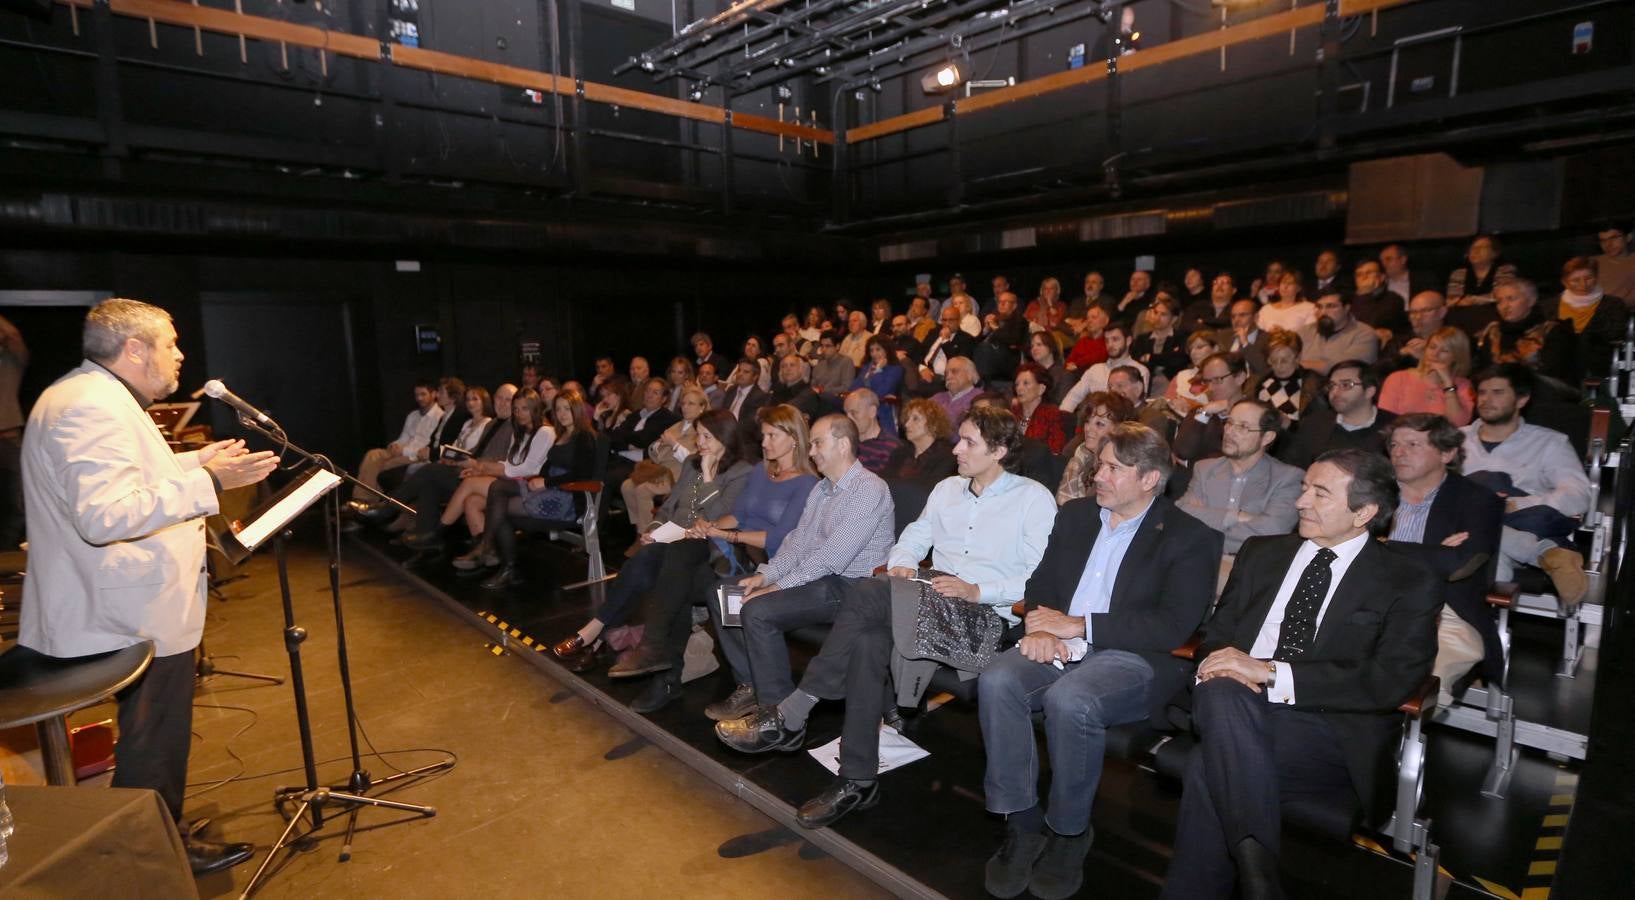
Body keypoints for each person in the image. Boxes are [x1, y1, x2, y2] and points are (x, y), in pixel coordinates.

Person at [20, 298, 279, 874]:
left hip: (126, 605)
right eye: (171, 343)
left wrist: (193, 462)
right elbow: (105, 514)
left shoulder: (92, 395)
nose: (180, 354)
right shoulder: (93, 408)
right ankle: (152, 855)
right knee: (152, 742)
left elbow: (132, 477)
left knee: (152, 738)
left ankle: (155, 835)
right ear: (134, 349)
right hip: (128, 615)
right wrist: (209, 481)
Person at [715, 407, 1057, 830]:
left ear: (1000, 451)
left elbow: (1038, 579)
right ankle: (857, 779)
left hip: (982, 619)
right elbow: (913, 536)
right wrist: (901, 560)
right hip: (927, 601)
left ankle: (793, 713)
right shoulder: (947, 489)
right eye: (960, 439)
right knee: (867, 638)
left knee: (865, 590)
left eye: (968, 442)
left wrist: (976, 590)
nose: (956, 448)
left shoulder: (1032, 499)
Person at [1162, 450, 1441, 900]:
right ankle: (1260, 881)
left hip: (1328, 727)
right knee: (1224, 696)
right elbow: (1218, 635)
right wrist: (1227, 667)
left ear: (1364, 513)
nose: (1300, 501)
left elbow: (1391, 680)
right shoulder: (1262, 553)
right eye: (1304, 487)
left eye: (1320, 493)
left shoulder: (1408, 579)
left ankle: (1254, 880)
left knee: (1206, 762)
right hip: (1235, 704)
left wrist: (1271, 672)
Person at [982, 424, 1221, 900]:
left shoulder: (1191, 537)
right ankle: (1023, 822)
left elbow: (1173, 625)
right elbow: (1041, 585)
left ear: (1150, 479)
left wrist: (1080, 626)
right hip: (1061, 643)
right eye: (1100, 463)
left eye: (1113, 467)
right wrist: (1045, 628)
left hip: (1134, 657)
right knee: (997, 680)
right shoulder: (1075, 516)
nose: (1099, 475)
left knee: (1073, 698)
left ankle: (1069, 832)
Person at [552, 410, 752, 702]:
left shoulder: (741, 472)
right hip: (676, 550)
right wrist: (654, 529)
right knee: (658, 564)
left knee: (664, 567)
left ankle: (605, 635)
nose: (700, 442)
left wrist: (709, 476)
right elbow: (669, 507)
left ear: (726, 438)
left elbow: (716, 519)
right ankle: (659, 668)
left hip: (713, 555)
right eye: (699, 435)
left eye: (707, 436)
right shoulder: (692, 465)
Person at [707, 414, 894, 713]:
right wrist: (765, 576)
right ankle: (751, 683)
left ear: (843, 445)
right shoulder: (822, 489)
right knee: (723, 594)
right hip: (819, 578)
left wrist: (777, 587)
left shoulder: (868, 489)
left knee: (757, 610)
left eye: (818, 443)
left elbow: (833, 558)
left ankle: (777, 712)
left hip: (852, 588)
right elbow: (797, 543)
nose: (810, 451)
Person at [1386, 414, 1505, 702]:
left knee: (1411, 690)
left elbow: (1458, 564)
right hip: (1373, 605)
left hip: (1446, 615)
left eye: (1412, 444)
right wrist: (1435, 552)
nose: (1398, 452)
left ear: (1447, 453)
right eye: (1393, 444)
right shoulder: (1374, 492)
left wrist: (1382, 546)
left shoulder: (1477, 500)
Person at [1460, 365, 1593, 604]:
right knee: (1490, 553)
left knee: (1487, 482)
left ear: (1522, 399)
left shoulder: (1550, 442)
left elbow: (1578, 495)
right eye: (1482, 392)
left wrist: (1516, 504)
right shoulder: (1454, 439)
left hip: (1519, 522)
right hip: (1460, 531)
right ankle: (1545, 551)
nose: (1486, 400)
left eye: (1498, 392)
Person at [405, 388, 554, 557]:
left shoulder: (545, 431)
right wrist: (479, 469)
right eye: (516, 409)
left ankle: (436, 533)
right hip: (512, 481)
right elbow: (510, 463)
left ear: (535, 409)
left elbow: (528, 469)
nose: (519, 413)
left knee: (467, 482)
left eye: (524, 409)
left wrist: (482, 469)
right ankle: (487, 553)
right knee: (472, 502)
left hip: (531, 485)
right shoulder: (520, 431)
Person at [478, 390, 601, 589]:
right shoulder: (561, 434)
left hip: (568, 497)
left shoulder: (584, 437)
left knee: (500, 509)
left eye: (566, 409)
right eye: (558, 409)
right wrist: (537, 479)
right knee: (498, 488)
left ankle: (496, 556)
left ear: (576, 410)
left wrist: (546, 482)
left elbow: (580, 475)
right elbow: (546, 466)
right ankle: (494, 553)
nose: (561, 414)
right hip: (551, 489)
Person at [1177, 400, 1303, 555]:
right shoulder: (1205, 469)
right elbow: (1180, 515)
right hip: (1198, 561)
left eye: (1243, 427)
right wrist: (1235, 516)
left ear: (1267, 437)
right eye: (1229, 422)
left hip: (1250, 571)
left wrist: (1204, 520)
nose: (1229, 431)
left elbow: (1271, 533)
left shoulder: (1287, 478)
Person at [1278, 360, 1395, 469]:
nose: (1335, 392)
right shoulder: (1314, 424)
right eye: (1332, 385)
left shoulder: (1394, 428)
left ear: (1369, 391)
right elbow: (1291, 469)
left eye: (1346, 385)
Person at [353, 379, 439, 501]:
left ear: (434, 394)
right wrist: (395, 445)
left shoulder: (439, 417)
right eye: (417, 395)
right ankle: (369, 497)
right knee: (372, 455)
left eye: (423, 394)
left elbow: (428, 447)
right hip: (401, 451)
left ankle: (365, 499)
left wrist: (403, 450)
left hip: (416, 456)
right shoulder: (413, 415)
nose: (419, 398)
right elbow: (403, 437)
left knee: (375, 466)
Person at [1377, 327, 1476, 426]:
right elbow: (1385, 420)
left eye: (1444, 351)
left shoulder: (1464, 385)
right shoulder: (1398, 378)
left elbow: (1458, 423)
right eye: (1432, 347)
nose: (1435, 354)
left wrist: (1448, 384)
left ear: (1456, 357)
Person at [1555, 256, 1630, 381]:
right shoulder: (1550, 306)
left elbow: (1616, 333)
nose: (1583, 285)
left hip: (1598, 364)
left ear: (1596, 278)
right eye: (1575, 280)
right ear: (1565, 282)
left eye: (1588, 278)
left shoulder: (1613, 304)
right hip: (1558, 364)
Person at [1056, 392, 1135, 505]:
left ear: (1119, 429)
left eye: (1099, 424)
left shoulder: (1121, 470)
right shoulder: (1081, 457)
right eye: (1087, 421)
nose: (1088, 428)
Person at [1059, 323, 1148, 415]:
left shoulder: (1140, 370)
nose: (1110, 344)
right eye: (1107, 341)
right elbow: (1073, 397)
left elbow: (1138, 405)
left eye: (1115, 339)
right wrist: (1063, 418)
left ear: (1128, 341)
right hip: (1094, 421)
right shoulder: (1095, 369)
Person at [1297, 290, 1379, 374]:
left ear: (1346, 308)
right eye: (1319, 307)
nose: (1323, 312)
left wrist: (1299, 364)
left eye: (1331, 306)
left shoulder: (1365, 334)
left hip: (1342, 384)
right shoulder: (1305, 331)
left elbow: (1343, 367)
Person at [881, 398, 957, 486]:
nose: (907, 425)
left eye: (915, 419)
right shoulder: (899, 453)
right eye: (907, 419)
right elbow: (884, 484)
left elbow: (929, 491)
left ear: (933, 424)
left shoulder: (946, 457)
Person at [0, 312, 28, 548]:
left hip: (8, 436)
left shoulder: (11, 361)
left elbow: (13, 336)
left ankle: (7, 557)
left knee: (17, 502)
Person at [1253, 331, 1320, 428]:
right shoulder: (1262, 384)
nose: (1278, 366)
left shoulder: (1312, 384)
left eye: (1284, 361)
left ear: (1298, 357)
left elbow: (1318, 426)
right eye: (1274, 361)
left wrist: (1289, 424)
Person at [849, 336, 904, 433]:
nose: (874, 354)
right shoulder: (867, 368)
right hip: (862, 405)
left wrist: (878, 370)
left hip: (883, 407)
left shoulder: (896, 369)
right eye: (871, 351)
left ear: (887, 350)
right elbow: (853, 389)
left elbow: (881, 391)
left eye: (878, 349)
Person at [1012, 362, 1068, 454]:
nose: (1019, 388)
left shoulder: (1052, 414)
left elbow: (1055, 450)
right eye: (1017, 384)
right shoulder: (1012, 413)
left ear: (1041, 389)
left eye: (1026, 383)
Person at [845, 388, 900, 474]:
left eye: (854, 413)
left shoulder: (891, 448)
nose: (848, 418)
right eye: (846, 413)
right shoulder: (845, 442)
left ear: (872, 412)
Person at [1256, 270, 1317, 335]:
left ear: (1299, 288)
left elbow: (1309, 335)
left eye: (1290, 283)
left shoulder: (1309, 308)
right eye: (1283, 282)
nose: (1285, 286)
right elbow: (1258, 335)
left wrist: (1284, 334)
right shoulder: (1266, 309)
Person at [930, 356, 981, 433]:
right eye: (946, 373)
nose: (948, 377)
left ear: (970, 375)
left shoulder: (980, 399)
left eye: (955, 371)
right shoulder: (937, 397)